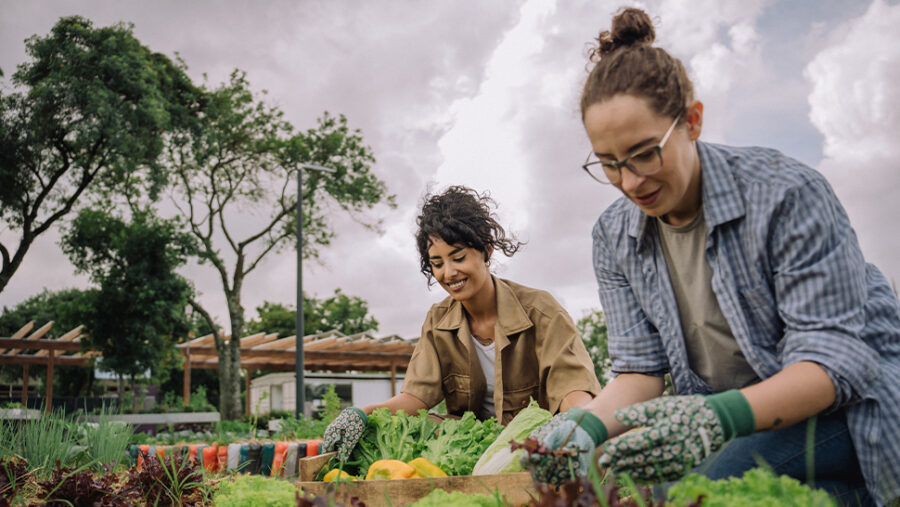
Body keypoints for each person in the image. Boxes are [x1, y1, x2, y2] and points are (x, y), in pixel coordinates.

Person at [525, 7, 899, 506]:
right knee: (627, 483)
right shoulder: (614, 236)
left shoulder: (786, 194)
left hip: (846, 410)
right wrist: (586, 426)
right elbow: (640, 371)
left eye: (644, 153)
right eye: (610, 164)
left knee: (702, 491)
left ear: (692, 122)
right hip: (734, 421)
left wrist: (717, 417)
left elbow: (833, 365)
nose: (631, 182)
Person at [323, 185, 602, 463]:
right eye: (437, 263)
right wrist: (364, 412)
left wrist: (578, 423)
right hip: (470, 448)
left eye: (458, 258)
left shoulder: (541, 310)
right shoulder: (438, 320)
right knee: (395, 430)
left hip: (536, 444)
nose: (449, 272)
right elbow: (415, 398)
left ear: (486, 251)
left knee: (583, 427)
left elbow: (573, 388)